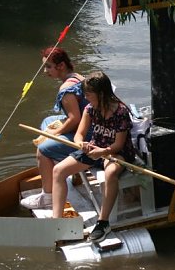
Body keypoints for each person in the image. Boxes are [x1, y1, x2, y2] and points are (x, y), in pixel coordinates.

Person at [50, 70, 136, 242]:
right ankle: (56, 221)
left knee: (110, 173)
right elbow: (79, 135)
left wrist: (102, 152)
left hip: (117, 153)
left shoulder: (121, 112)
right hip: (94, 149)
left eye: (89, 94)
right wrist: (82, 143)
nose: (86, 98)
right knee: (59, 170)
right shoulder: (90, 109)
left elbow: (118, 145)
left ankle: (103, 223)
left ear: (101, 94)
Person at [20, 47, 88, 209]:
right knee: (48, 120)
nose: (45, 71)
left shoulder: (66, 89)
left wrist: (55, 133)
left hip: (87, 133)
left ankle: (48, 195)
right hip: (84, 124)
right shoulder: (77, 77)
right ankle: (56, 157)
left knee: (42, 148)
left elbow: (75, 119)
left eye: (48, 66)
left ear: (61, 66)